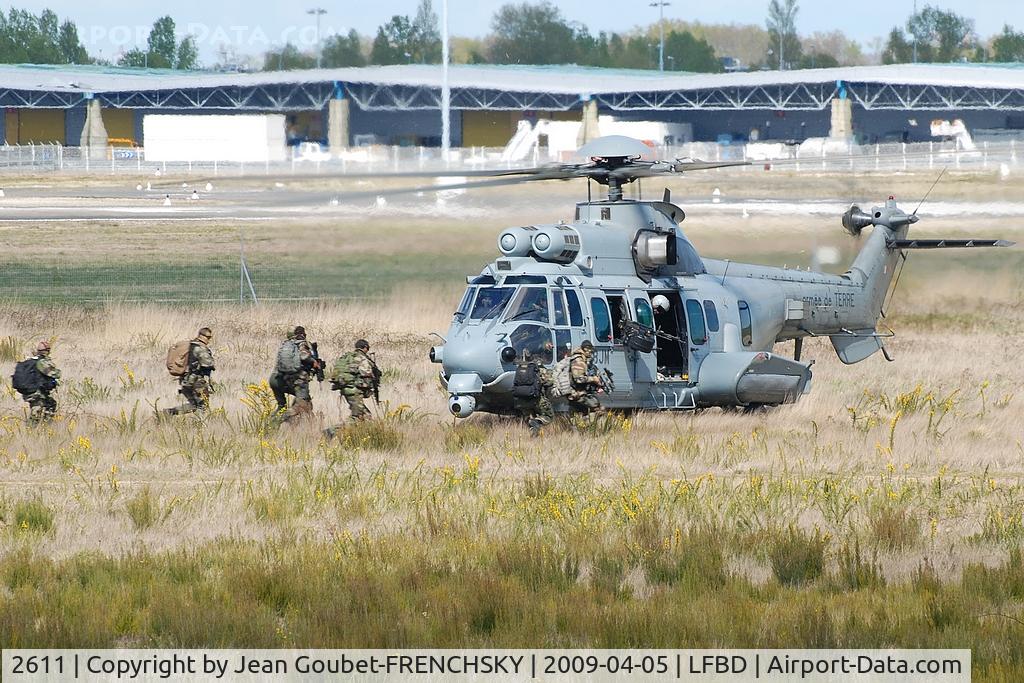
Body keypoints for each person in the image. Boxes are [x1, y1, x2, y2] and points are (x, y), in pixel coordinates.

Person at [324, 339, 379, 438]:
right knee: (358, 417)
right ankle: (331, 432)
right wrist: (369, 390)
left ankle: (360, 437)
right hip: (355, 391)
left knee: (366, 415)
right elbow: (366, 375)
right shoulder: (362, 358)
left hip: (346, 389)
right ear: (365, 347)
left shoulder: (348, 356)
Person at [268, 326, 320, 423]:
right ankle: (277, 421)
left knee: (282, 406)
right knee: (302, 404)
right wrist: (314, 362)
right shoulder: (301, 343)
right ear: (303, 334)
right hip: (295, 381)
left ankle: (272, 424)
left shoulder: (285, 345)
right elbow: (304, 356)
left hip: (275, 380)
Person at [164, 327, 215, 416]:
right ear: (201, 336)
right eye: (207, 337)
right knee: (202, 406)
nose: (208, 340)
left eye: (209, 337)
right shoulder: (200, 348)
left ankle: (169, 412)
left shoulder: (189, 346)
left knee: (193, 405)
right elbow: (208, 363)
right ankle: (199, 426)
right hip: (196, 381)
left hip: (185, 380)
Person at [15, 341, 61, 425]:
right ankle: (32, 431)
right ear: (47, 351)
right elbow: (55, 373)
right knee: (35, 414)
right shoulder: (42, 362)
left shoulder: (31, 361)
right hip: (37, 392)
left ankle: (45, 426)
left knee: (51, 403)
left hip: (29, 391)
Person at [512, 349, 554, 437]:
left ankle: (534, 436)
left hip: (521, 399)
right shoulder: (538, 368)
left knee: (529, 418)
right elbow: (549, 381)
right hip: (536, 399)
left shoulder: (519, 369)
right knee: (548, 416)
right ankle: (537, 422)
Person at [567, 340, 605, 416]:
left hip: (578, 393)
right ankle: (592, 426)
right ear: (586, 349)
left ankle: (577, 425)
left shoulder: (583, 359)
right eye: (590, 351)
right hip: (577, 393)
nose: (591, 353)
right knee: (597, 409)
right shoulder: (578, 360)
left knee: (579, 414)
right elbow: (578, 379)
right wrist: (593, 379)